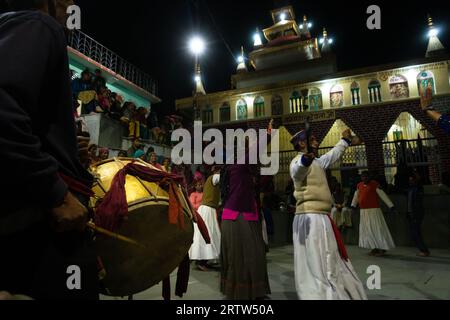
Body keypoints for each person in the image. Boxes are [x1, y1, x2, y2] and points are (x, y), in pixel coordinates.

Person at [0, 0, 98, 300]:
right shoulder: (40, 25)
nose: (73, 7)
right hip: (41, 237)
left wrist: (67, 151)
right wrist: (56, 193)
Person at [290, 128, 367, 300]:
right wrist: (304, 160)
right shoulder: (297, 161)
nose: (317, 142)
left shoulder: (317, 162)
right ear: (302, 143)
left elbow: (333, 155)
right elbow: (298, 172)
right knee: (318, 259)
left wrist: (344, 141)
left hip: (320, 217)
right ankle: (320, 294)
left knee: (327, 257)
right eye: (313, 139)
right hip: (309, 218)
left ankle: (328, 289)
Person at [351, 171, 396, 257]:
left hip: (374, 211)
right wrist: (353, 206)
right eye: (362, 177)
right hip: (364, 212)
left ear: (369, 177)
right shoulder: (359, 185)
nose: (364, 178)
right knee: (368, 231)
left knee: (377, 229)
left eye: (366, 176)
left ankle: (382, 248)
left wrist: (391, 206)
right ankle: (374, 248)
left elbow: (383, 195)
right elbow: (356, 196)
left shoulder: (375, 184)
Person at [189, 167, 221, 272]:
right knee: (208, 234)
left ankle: (204, 260)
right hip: (207, 210)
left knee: (210, 234)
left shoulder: (210, 181)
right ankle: (201, 261)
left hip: (209, 209)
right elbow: (220, 178)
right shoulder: (214, 177)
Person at [407, 172, 430, 257]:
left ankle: (424, 250)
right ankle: (423, 250)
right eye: (409, 180)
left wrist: (415, 214)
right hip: (411, 213)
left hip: (416, 214)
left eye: (412, 180)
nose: (410, 182)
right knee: (415, 233)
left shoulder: (418, 188)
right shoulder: (410, 189)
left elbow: (417, 203)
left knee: (415, 233)